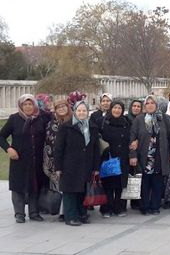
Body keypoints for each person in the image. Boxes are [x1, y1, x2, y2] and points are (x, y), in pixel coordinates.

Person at [0, 94, 50, 223]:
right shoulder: (14, 119)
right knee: (18, 186)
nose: (28, 107)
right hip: (19, 159)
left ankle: (34, 212)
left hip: (36, 159)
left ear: (35, 105)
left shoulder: (40, 119)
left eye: (30, 104)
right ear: (21, 106)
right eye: (25, 104)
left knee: (35, 185)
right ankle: (19, 213)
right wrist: (8, 149)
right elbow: (1, 137)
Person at [129, 95, 170, 215]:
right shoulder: (139, 119)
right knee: (144, 182)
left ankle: (155, 205)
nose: (150, 105)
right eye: (147, 103)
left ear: (156, 105)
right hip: (144, 156)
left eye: (152, 103)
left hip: (159, 155)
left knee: (157, 182)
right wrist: (133, 155)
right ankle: (144, 206)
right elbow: (133, 137)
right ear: (145, 106)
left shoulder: (165, 118)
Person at [54, 101, 101, 226]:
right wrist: (58, 167)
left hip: (86, 164)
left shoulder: (92, 127)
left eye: (84, 111)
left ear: (87, 112)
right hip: (69, 165)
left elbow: (96, 148)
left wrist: (96, 167)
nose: (81, 113)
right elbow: (58, 148)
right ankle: (70, 217)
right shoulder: (66, 127)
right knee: (70, 192)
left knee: (82, 191)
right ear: (75, 111)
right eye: (79, 110)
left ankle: (82, 214)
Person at [99, 101, 131, 218]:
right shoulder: (103, 122)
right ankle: (107, 208)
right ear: (111, 109)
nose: (117, 110)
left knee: (119, 185)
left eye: (119, 108)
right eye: (115, 108)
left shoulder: (126, 122)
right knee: (108, 184)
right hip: (108, 157)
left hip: (122, 157)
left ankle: (119, 207)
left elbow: (131, 138)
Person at [43, 99, 71, 220]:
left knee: (71, 187)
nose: (61, 109)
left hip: (72, 159)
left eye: (63, 106)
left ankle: (70, 210)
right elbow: (48, 142)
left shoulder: (74, 121)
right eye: (58, 107)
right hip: (56, 159)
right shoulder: (51, 124)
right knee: (58, 187)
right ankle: (60, 211)